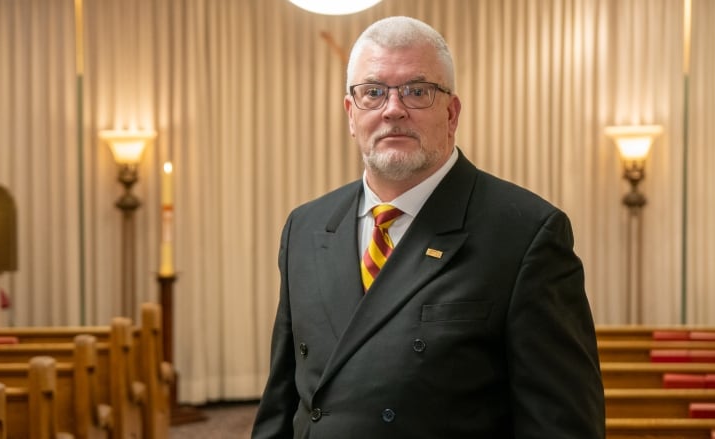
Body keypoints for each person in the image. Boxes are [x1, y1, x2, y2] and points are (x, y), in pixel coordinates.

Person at [252, 16, 605, 439]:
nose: (393, 109)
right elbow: (281, 405)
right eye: (373, 93)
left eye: (417, 91)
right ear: (351, 113)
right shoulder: (305, 228)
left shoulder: (527, 235)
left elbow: (562, 427)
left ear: (452, 113)